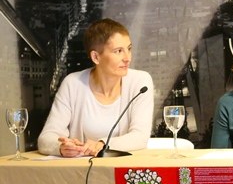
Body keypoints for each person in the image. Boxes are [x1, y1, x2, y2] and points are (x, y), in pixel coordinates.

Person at [38, 18, 154, 157]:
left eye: (129, 49)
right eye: (118, 51)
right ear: (96, 57)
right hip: (82, 168)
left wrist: (102, 144)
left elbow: (140, 137)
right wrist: (61, 148)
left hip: (123, 167)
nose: (127, 58)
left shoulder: (140, 82)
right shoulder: (72, 83)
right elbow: (45, 139)